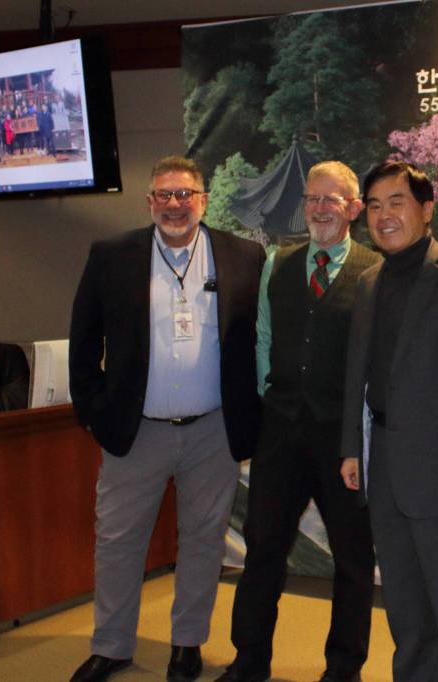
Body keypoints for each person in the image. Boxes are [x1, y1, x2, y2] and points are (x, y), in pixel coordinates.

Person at [68, 155, 266, 682]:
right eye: (165, 195)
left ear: (202, 199)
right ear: (150, 202)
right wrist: (94, 412)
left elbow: (259, 342)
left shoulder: (245, 256)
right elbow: (83, 342)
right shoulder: (112, 256)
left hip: (213, 429)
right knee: (117, 540)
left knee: (204, 542)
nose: (175, 205)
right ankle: (111, 646)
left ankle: (187, 644)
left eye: (185, 194)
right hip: (136, 431)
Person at [219, 161, 381, 682]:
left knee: (353, 561)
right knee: (262, 550)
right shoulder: (279, 262)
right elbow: (265, 338)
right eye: (312, 199)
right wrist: (275, 394)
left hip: (344, 442)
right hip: (281, 433)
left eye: (331, 199)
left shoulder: (376, 271)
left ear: (354, 208)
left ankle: (343, 667)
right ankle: (249, 659)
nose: (319, 208)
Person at [340, 161, 438, 682]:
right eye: (374, 206)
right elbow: (358, 373)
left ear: (426, 210)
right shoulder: (369, 281)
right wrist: (350, 448)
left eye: (396, 202)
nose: (384, 216)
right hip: (380, 462)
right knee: (402, 601)